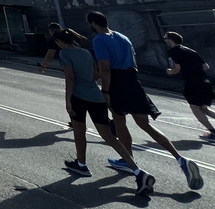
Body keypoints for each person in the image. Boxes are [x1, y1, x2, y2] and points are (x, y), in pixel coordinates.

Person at [87, 11, 203, 190]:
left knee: (119, 120)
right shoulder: (123, 37)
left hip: (117, 82)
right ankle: (181, 159)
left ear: (93, 24)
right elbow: (133, 62)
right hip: (133, 81)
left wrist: (106, 90)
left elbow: (105, 68)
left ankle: (129, 159)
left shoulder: (99, 40)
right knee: (145, 124)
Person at [53, 29, 155, 195]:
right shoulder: (86, 52)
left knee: (79, 132)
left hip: (78, 97)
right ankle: (138, 171)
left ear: (60, 41)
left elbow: (70, 78)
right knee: (109, 136)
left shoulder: (65, 54)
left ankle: (82, 164)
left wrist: (67, 101)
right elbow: (96, 74)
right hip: (96, 97)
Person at [164, 31, 215, 140]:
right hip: (205, 82)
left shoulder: (173, 51)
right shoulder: (191, 51)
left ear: (171, 40)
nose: (165, 41)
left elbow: (176, 69)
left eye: (165, 39)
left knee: (195, 108)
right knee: (203, 108)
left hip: (193, 83)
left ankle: (213, 132)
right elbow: (206, 66)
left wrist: (170, 71)